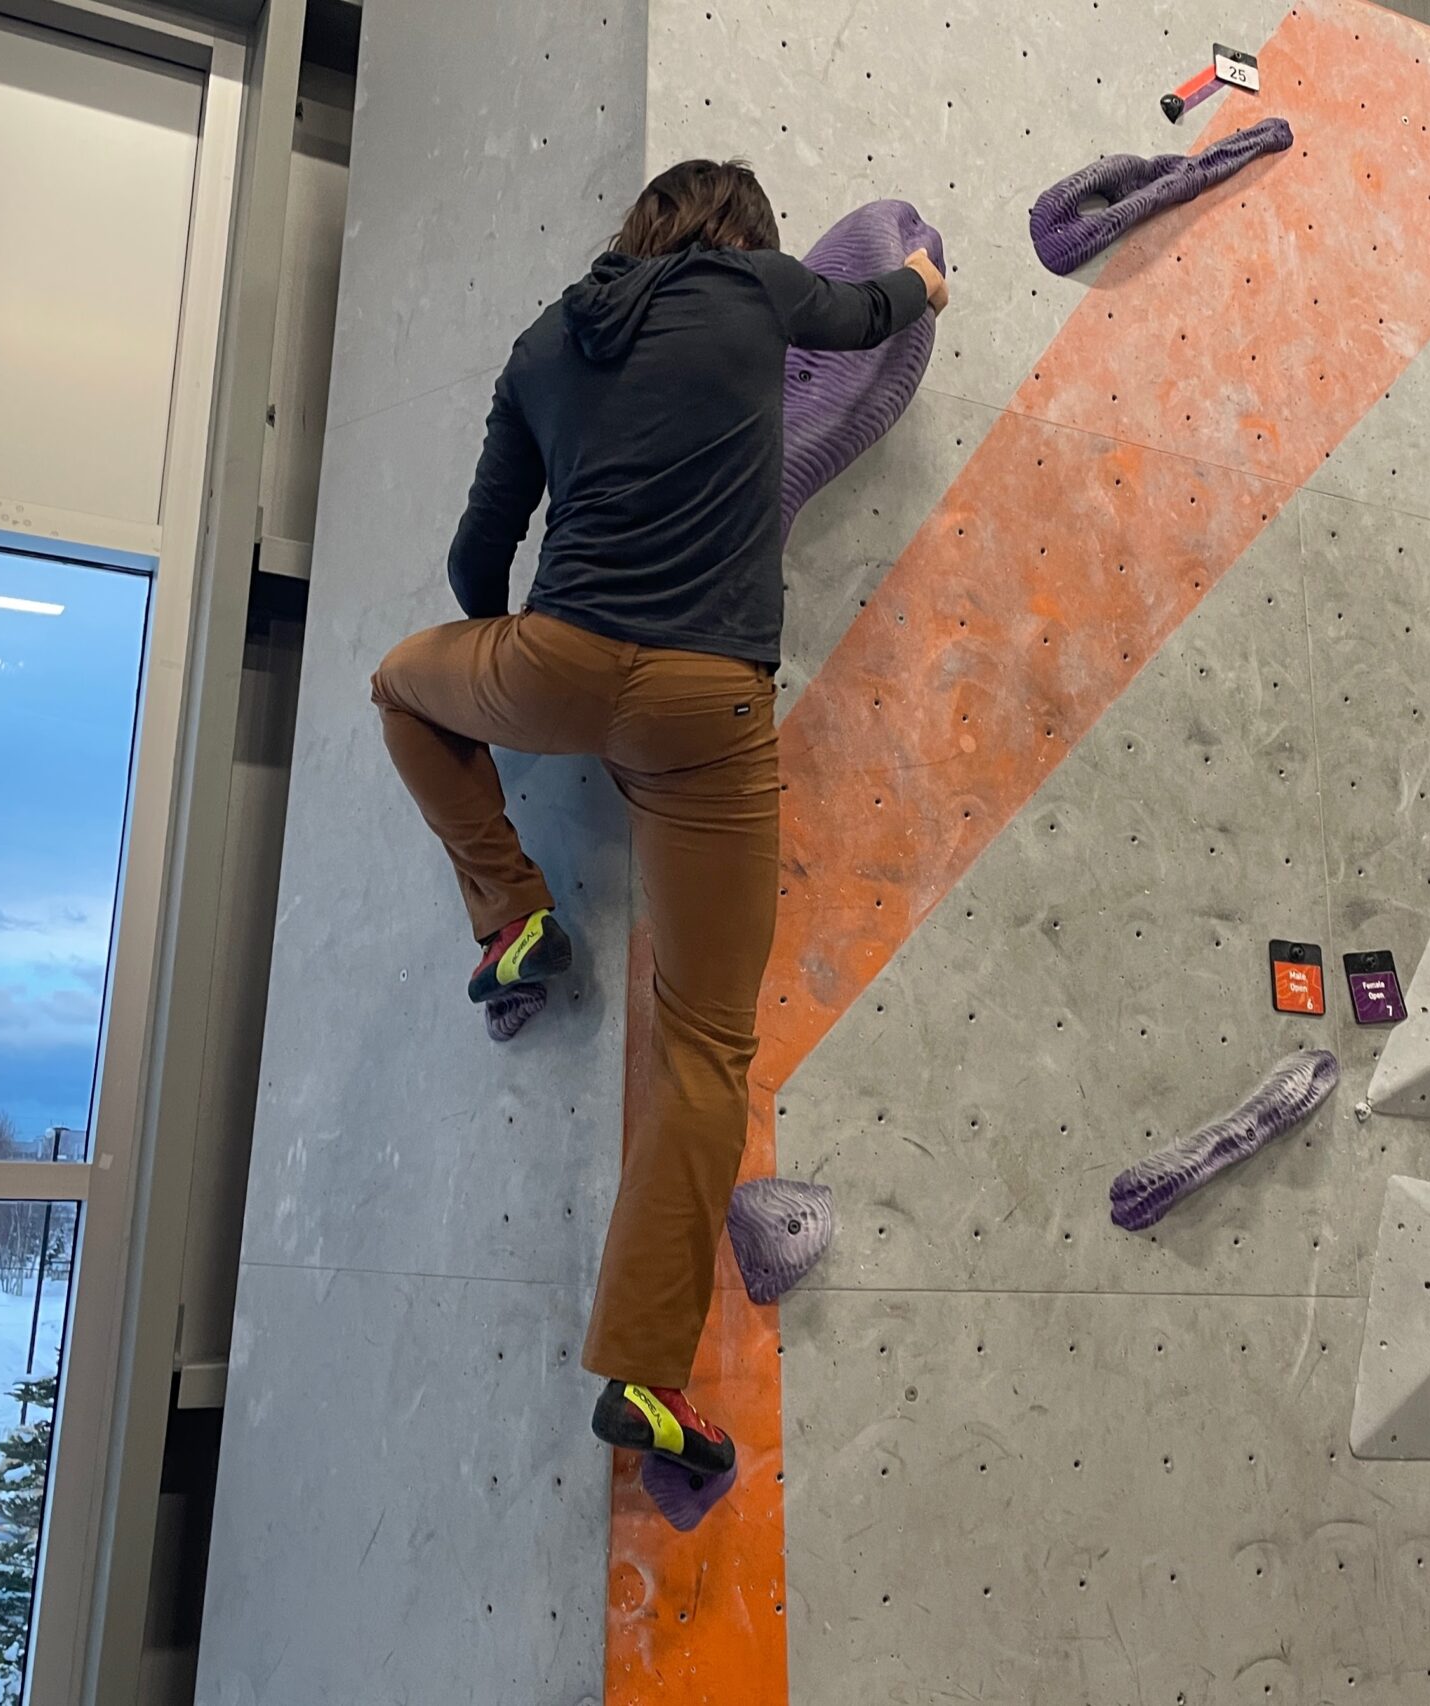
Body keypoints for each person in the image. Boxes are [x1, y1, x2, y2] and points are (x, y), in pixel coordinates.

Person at [369, 159, 946, 1478]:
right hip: (709, 704)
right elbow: (867, 317)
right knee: (704, 1048)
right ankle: (640, 1373)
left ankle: (514, 917)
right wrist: (924, 277)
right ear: (739, 236)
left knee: (402, 683)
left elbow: (476, 556)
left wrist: (533, 631)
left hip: (556, 667)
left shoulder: (543, 340)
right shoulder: (753, 288)